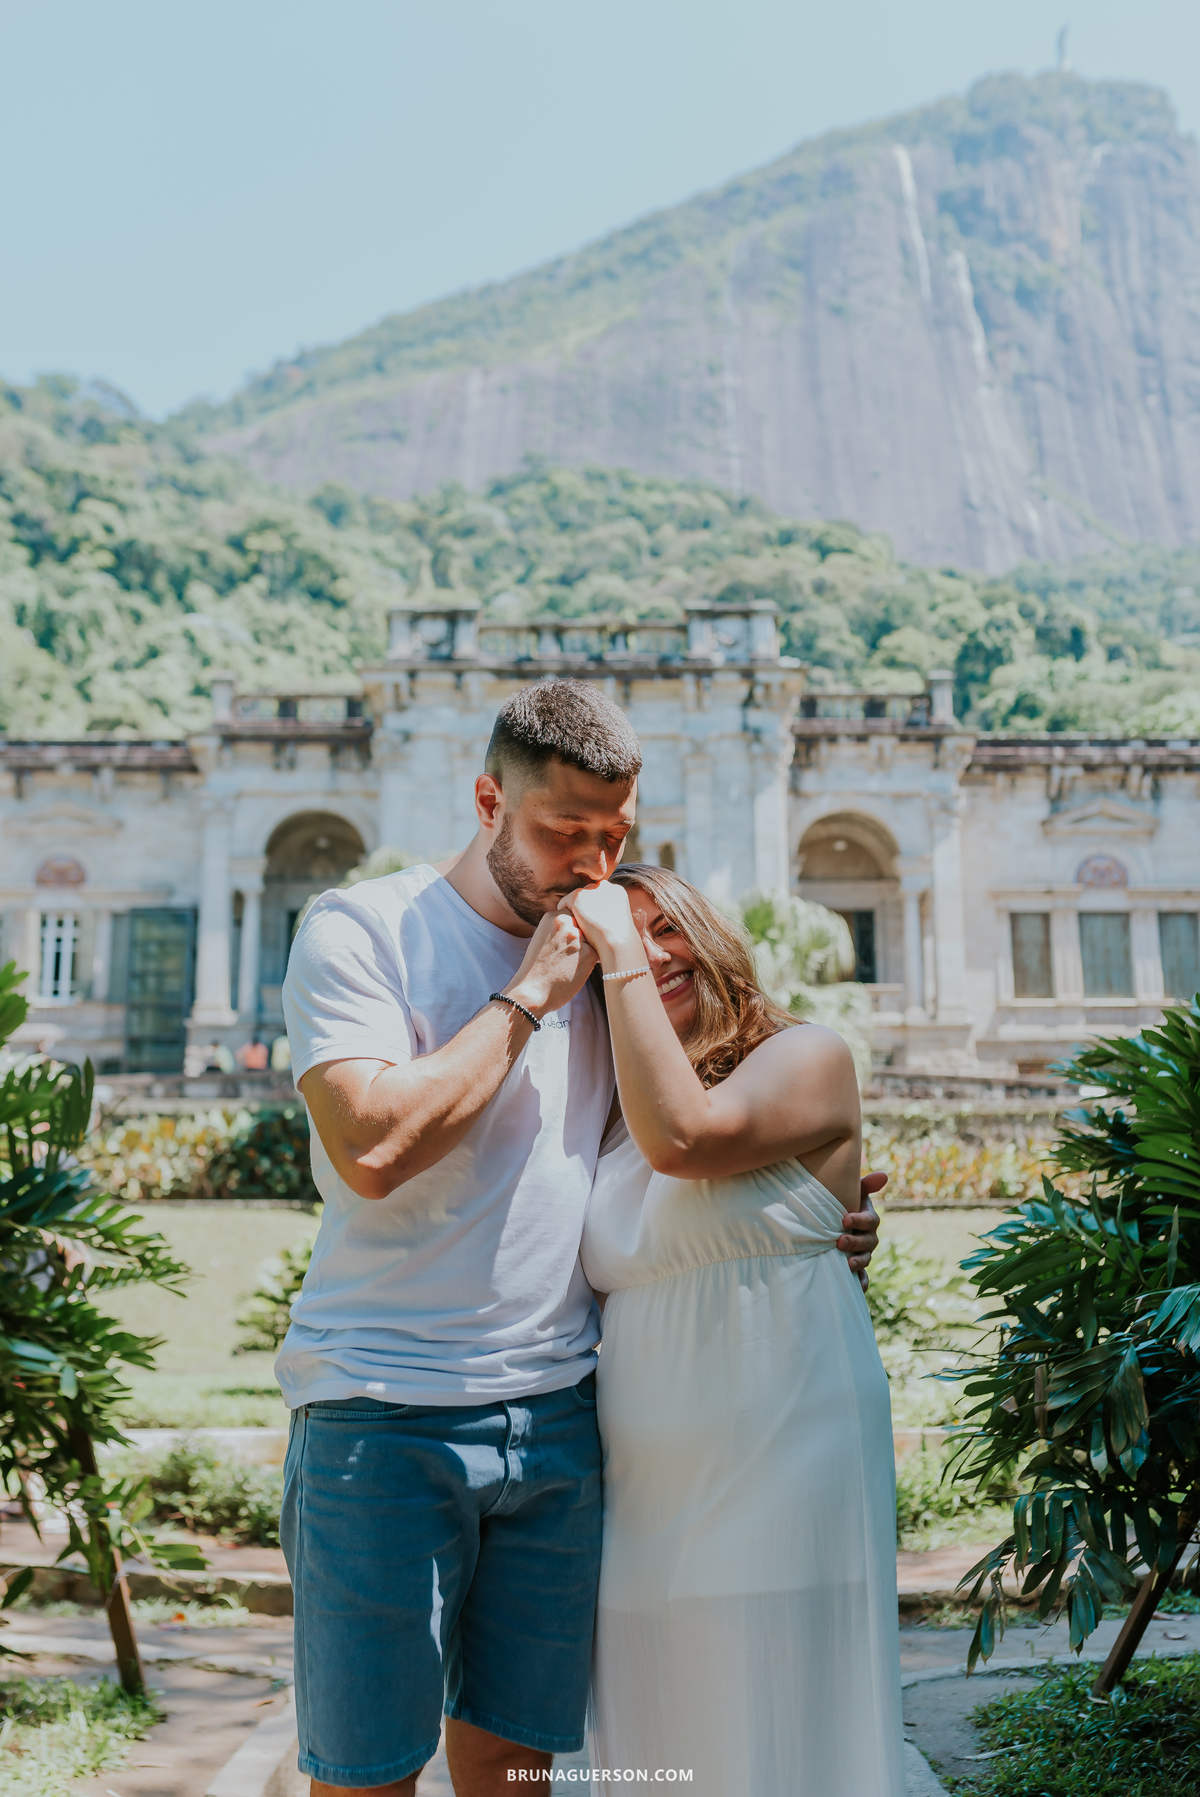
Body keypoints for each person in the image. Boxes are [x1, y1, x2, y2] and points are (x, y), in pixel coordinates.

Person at [278, 678, 884, 1797]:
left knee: (517, 1772)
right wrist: (528, 995)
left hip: (563, 1420)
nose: (594, 867)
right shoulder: (367, 928)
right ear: (485, 800)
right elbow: (370, 1153)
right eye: (567, 834)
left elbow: (676, 1153)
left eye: (617, 837)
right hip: (385, 1406)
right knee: (366, 1774)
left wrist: (817, 1210)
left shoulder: (618, 987)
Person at [569, 865, 904, 1795]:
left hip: (784, 1445)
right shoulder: (610, 1113)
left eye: (665, 927)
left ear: (710, 935)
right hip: (642, 1488)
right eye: (621, 942)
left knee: (775, 1715)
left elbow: (692, 1142)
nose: (650, 953)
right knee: (661, 1725)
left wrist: (618, 952)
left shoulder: (809, 1055)